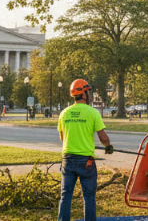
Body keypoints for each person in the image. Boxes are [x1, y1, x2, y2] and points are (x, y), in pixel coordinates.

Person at [57, 79, 113, 221]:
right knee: (88, 197)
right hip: (86, 162)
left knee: (65, 196)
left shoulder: (64, 113)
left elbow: (62, 137)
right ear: (84, 94)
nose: (90, 94)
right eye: (88, 92)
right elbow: (103, 138)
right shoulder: (93, 113)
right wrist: (108, 147)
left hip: (68, 160)